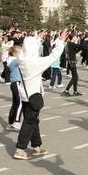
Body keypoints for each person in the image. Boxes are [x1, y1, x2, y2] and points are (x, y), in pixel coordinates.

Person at [12, 31, 67, 160]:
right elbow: (53, 56)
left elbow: (31, 47)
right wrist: (60, 42)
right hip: (33, 95)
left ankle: (36, 146)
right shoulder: (33, 62)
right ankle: (20, 149)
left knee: (33, 120)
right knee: (30, 121)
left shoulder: (22, 58)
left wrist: (37, 38)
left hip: (25, 95)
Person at [5, 45, 23, 131]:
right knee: (21, 103)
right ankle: (17, 121)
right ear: (16, 53)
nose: (21, 54)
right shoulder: (14, 61)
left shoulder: (11, 60)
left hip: (14, 83)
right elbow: (22, 60)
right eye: (20, 52)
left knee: (15, 104)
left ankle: (10, 123)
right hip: (17, 83)